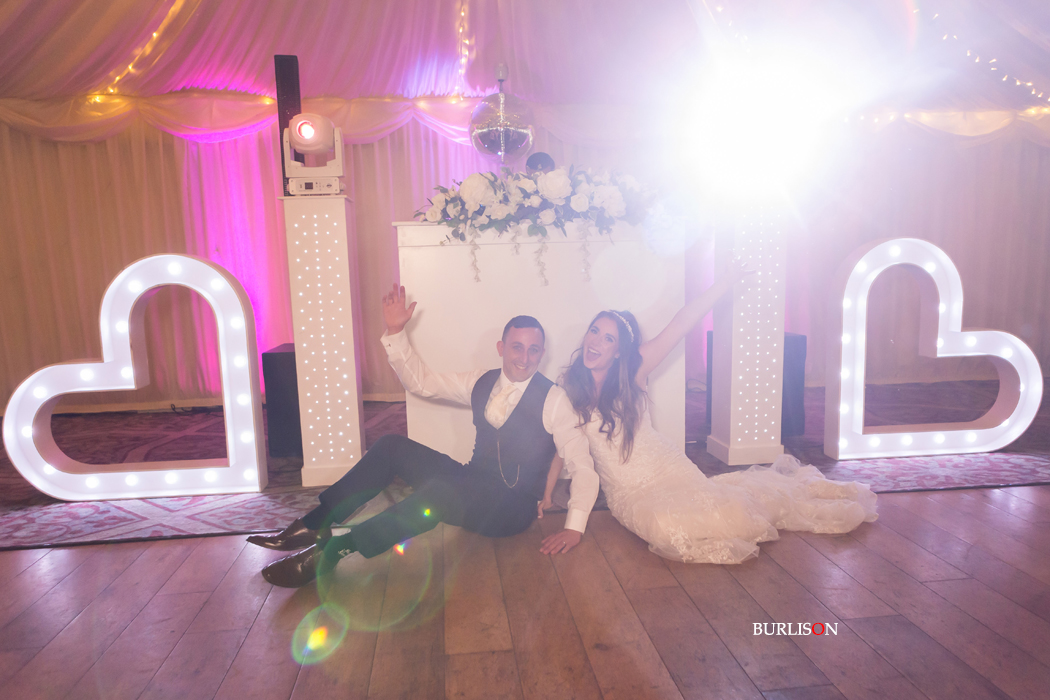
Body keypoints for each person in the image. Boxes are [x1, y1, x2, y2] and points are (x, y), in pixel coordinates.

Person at [253, 284, 599, 587]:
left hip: (510, 508)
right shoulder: (480, 381)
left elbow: (582, 464)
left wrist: (575, 525)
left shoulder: (555, 400)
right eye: (517, 347)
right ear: (501, 347)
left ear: (542, 353)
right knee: (392, 446)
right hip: (470, 481)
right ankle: (314, 524)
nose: (524, 358)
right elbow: (422, 383)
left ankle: (334, 551)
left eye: (533, 349)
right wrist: (395, 332)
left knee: (440, 493)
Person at [544, 264, 878, 564]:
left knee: (728, 514)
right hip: (628, 492)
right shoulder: (569, 388)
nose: (596, 342)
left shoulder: (635, 369)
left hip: (667, 467)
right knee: (664, 527)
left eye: (608, 338)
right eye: (594, 331)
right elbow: (565, 446)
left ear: (619, 352)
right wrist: (547, 494)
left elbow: (681, 323)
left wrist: (726, 282)